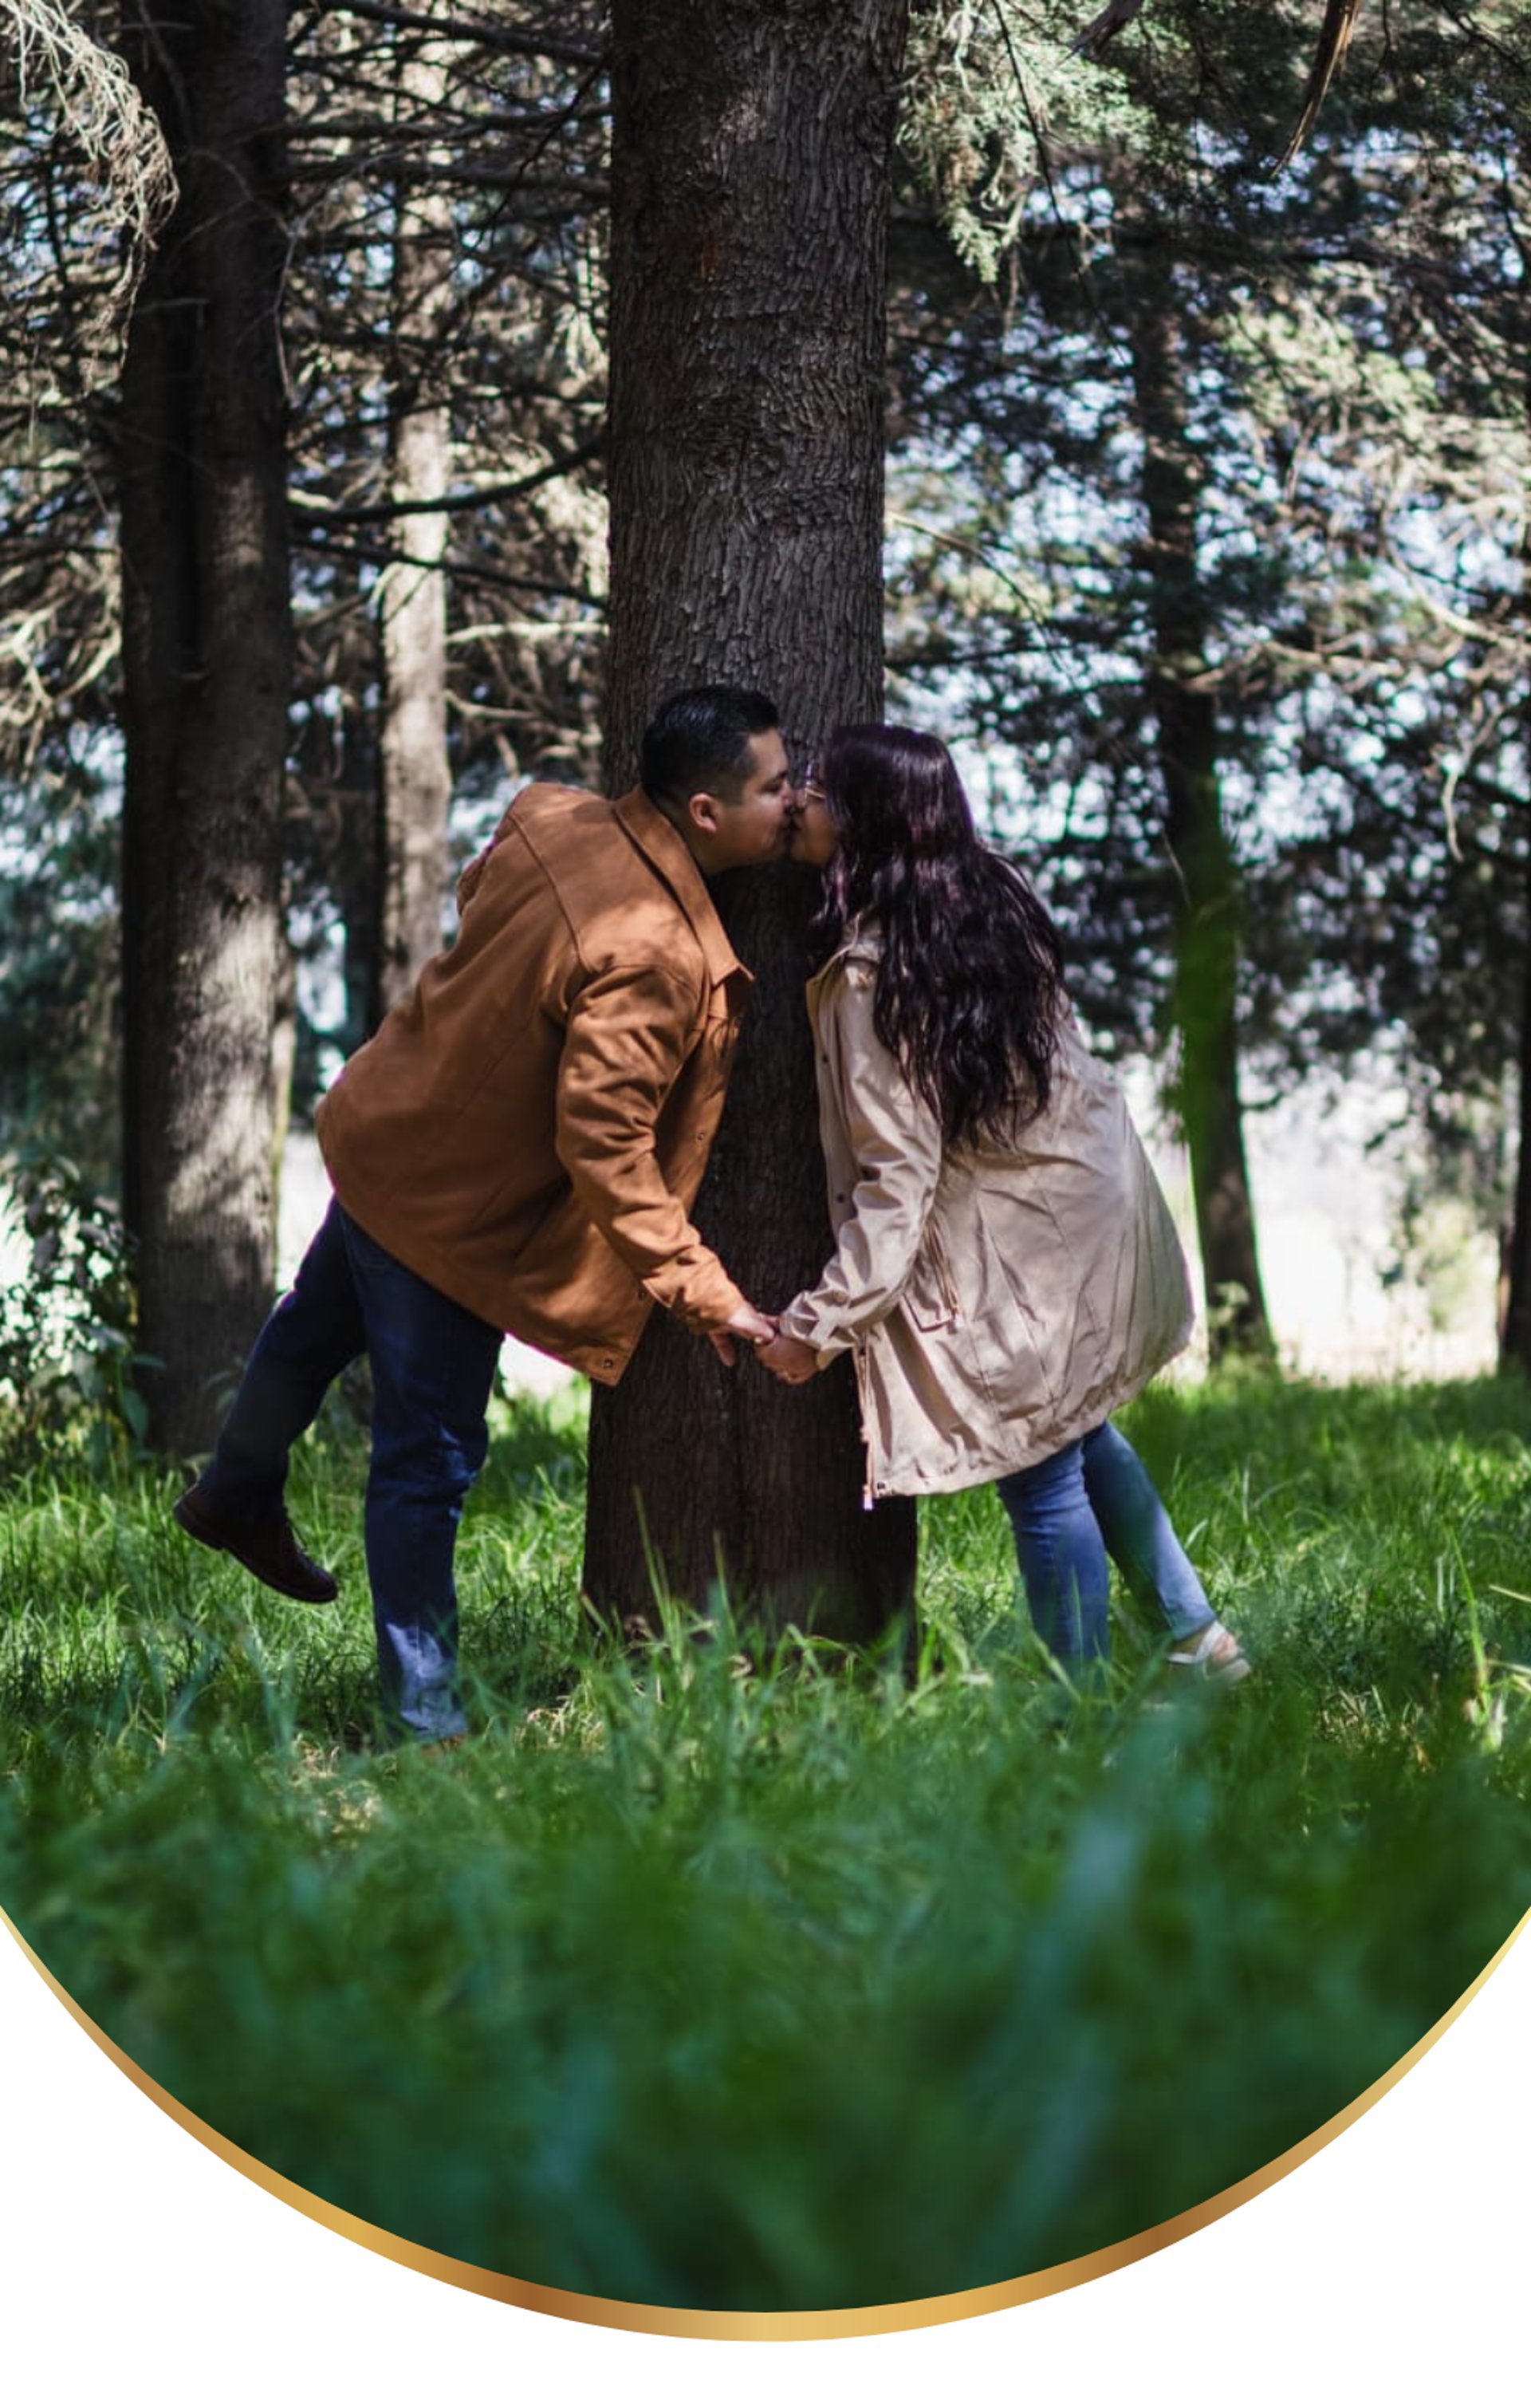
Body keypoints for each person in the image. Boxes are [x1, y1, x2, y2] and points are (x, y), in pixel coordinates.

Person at [175, 685, 792, 1740]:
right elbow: (604, 1144)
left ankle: (234, 1489)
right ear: (703, 813)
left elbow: (482, 894)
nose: (793, 799)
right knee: (429, 1459)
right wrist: (707, 1291)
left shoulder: (554, 818)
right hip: (450, 1222)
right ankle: (422, 1719)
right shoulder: (654, 954)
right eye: (776, 787)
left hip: (388, 1136)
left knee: (308, 1334)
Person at [757, 723, 1248, 1687]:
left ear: (861, 820)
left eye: (814, 786)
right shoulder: (987, 898)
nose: (797, 802)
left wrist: (816, 1326)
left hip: (1020, 1244)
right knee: (1076, 1431)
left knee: (1036, 1469)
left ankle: (1081, 1716)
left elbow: (898, 1179)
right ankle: (1197, 1640)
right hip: (1090, 1203)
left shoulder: (872, 976)